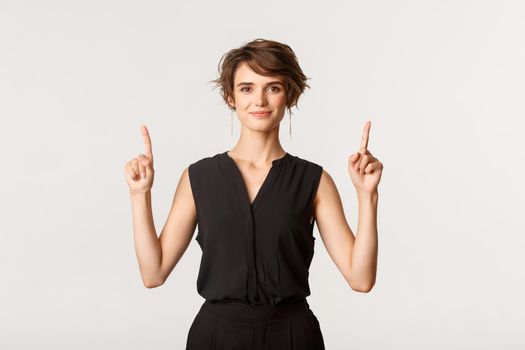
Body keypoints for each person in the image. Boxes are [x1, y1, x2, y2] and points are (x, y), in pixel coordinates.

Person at [124, 38, 383, 350]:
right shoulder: (199, 177)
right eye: (247, 88)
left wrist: (367, 196)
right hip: (215, 336)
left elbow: (361, 278)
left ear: (289, 95)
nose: (259, 99)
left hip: (292, 337)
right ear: (230, 97)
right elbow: (153, 273)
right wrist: (140, 195)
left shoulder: (314, 180)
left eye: (272, 87)